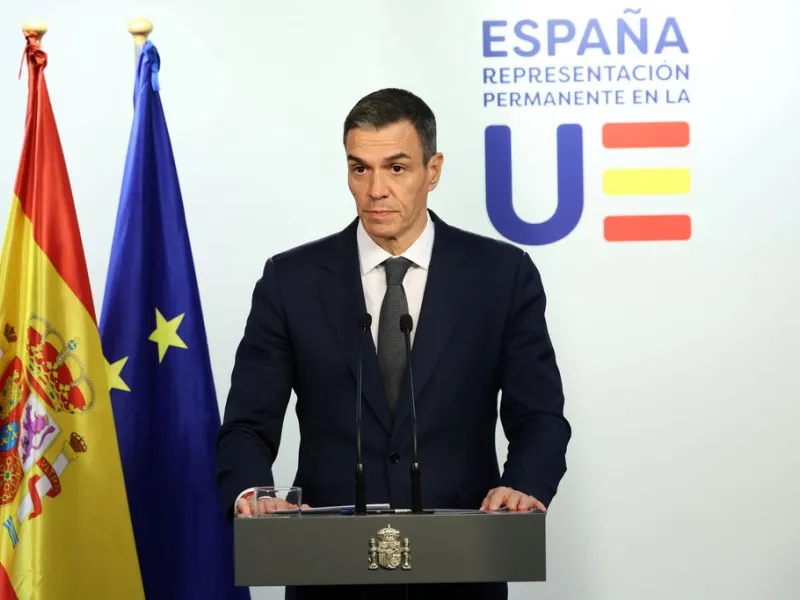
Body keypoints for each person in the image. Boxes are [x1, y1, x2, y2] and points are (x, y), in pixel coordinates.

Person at [216, 88, 571, 599]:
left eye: (396, 168)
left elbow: (539, 416)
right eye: (359, 168)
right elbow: (247, 425)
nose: (375, 189)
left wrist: (524, 486)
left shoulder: (501, 275)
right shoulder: (290, 281)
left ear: (433, 170)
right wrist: (254, 493)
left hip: (462, 567)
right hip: (328, 572)